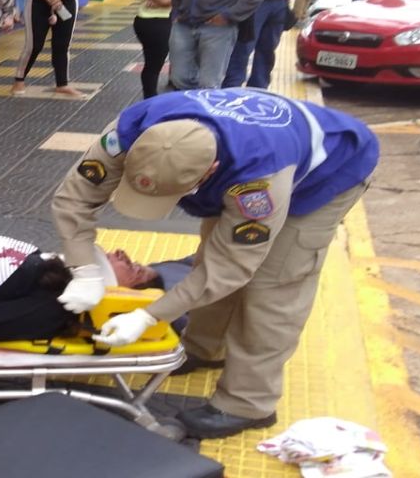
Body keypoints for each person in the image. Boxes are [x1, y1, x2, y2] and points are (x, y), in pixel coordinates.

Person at [50, 89, 379, 439]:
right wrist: (83, 269)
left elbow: (231, 266)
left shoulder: (257, 182)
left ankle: (248, 402)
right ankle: (202, 348)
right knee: (210, 256)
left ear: (210, 172)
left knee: (273, 284)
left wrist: (150, 315)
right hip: (251, 154)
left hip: (327, 175)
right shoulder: (133, 129)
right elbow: (74, 198)